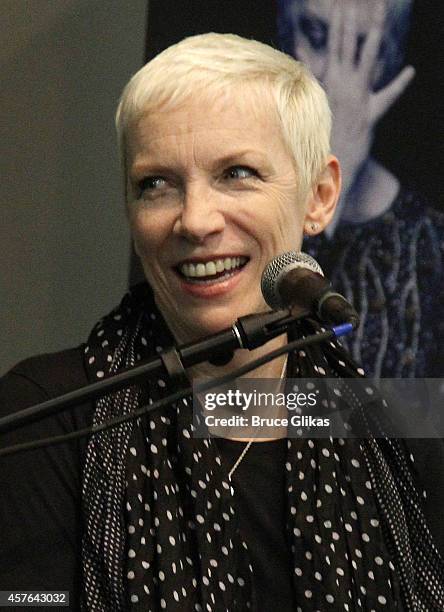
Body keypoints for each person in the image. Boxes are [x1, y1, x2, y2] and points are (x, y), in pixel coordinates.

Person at [1, 33, 443, 611]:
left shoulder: (399, 431)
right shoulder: (49, 417)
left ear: (320, 194)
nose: (195, 220)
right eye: (155, 184)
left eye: (237, 173)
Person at [277, 0, 444, 378]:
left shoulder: (432, 247)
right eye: (318, 37)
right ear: (286, 37)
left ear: (390, 60)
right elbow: (238, 403)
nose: (336, 77)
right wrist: (334, 171)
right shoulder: (228, 203)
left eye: (359, 50)